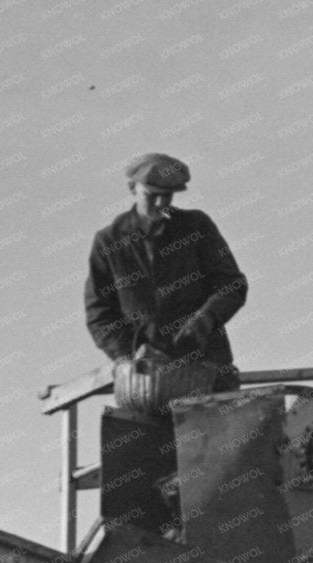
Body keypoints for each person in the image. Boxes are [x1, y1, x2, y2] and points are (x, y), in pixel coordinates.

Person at [84, 152, 249, 389]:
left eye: (168, 196)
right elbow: (99, 313)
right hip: (143, 383)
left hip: (207, 372)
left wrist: (201, 324)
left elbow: (232, 285)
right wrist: (130, 354)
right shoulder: (108, 241)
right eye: (153, 196)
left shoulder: (196, 226)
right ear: (133, 188)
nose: (161, 204)